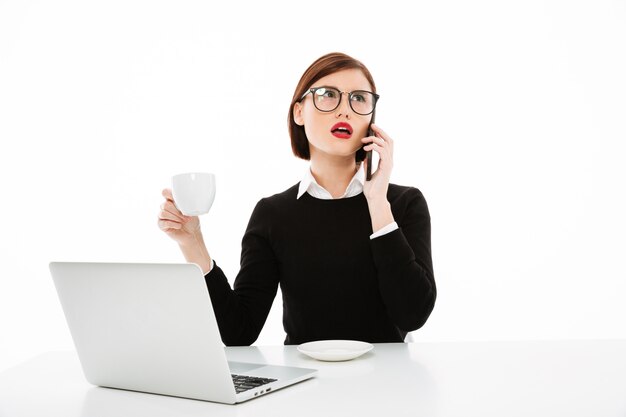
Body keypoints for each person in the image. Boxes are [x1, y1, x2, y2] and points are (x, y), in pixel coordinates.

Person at [157, 52, 436, 346]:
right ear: (299, 112)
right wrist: (192, 242)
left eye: (359, 98)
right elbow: (238, 331)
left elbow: (412, 315)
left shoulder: (404, 203)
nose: (345, 111)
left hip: (389, 384)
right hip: (304, 383)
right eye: (328, 95)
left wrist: (378, 202)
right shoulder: (273, 214)